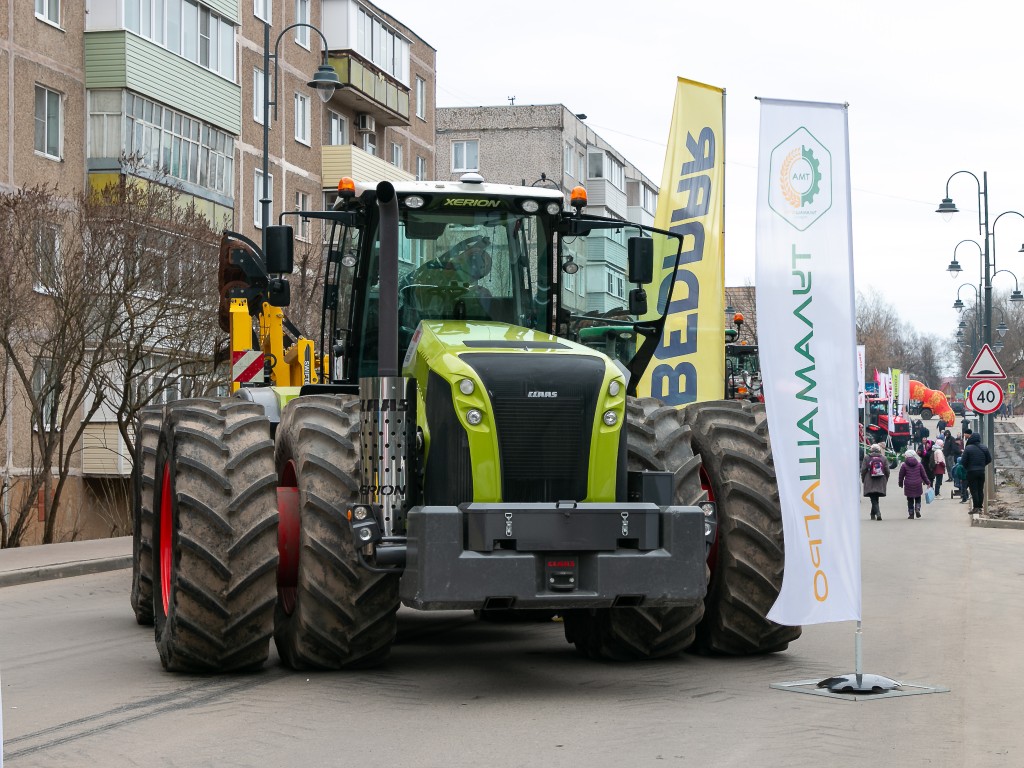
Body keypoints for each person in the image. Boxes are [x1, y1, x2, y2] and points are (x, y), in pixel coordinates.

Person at [961, 429, 992, 513]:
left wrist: (968, 467)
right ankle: (980, 507)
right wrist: (982, 465)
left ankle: (976, 508)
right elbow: (989, 459)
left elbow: (963, 461)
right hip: (981, 471)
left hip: (971, 472)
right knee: (980, 489)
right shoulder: (984, 447)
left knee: (974, 490)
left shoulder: (968, 448)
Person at [898, 448, 931, 519]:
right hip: (917, 483)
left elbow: (901, 476)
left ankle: (911, 514)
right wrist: (928, 482)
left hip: (908, 484)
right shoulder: (919, 465)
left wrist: (900, 483)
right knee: (918, 497)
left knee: (910, 499)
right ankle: (917, 508)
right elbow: (923, 475)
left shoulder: (904, 465)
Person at [861, 443, 890, 520]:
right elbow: (887, 470)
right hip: (880, 480)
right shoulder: (883, 458)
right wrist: (886, 478)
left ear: (871, 450)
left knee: (873, 497)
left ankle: (878, 513)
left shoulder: (867, 458)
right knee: (875, 497)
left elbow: (863, 470)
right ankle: (872, 514)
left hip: (869, 479)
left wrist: (863, 478)